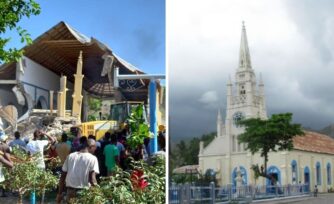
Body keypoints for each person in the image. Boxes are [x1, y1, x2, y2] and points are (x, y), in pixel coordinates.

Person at [56, 138, 99, 203]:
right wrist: (98, 193)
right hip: (84, 193)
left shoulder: (71, 156)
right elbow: (92, 179)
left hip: (70, 192)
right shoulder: (92, 158)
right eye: (95, 147)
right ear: (91, 147)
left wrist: (59, 193)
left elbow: (63, 176)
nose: (96, 149)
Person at [0, 132, 13, 197]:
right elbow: (8, 156)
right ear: (5, 140)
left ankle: (3, 191)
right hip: (5, 163)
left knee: (2, 178)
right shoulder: (6, 146)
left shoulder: (1, 145)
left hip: (3, 163)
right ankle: (5, 191)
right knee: (4, 178)